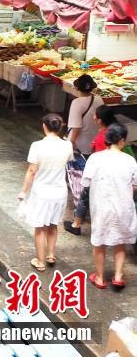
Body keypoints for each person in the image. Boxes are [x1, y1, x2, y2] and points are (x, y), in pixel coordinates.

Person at [81, 123, 137, 290]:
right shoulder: (129, 160)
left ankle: (99, 278)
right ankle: (118, 276)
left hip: (102, 205)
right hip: (123, 206)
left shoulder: (96, 158)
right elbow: (135, 185)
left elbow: (86, 182)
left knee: (100, 241)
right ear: (122, 140)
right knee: (121, 241)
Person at [18, 114, 72, 272]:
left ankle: (40, 261)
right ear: (60, 127)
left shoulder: (37, 146)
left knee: (40, 227)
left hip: (41, 192)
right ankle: (51, 255)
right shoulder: (67, 145)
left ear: (44, 126)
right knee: (53, 224)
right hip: (60, 192)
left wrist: (23, 191)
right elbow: (67, 161)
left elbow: (31, 171)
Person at [65, 106, 117, 236]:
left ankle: (76, 225)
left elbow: (98, 157)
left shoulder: (101, 138)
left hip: (100, 174)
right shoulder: (115, 131)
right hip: (112, 173)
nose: (93, 116)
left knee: (84, 197)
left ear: (99, 120)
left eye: (95, 115)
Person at [67, 74, 104, 156]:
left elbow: (76, 127)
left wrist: (71, 143)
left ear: (77, 88)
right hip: (95, 140)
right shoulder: (99, 99)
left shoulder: (76, 103)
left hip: (81, 144)